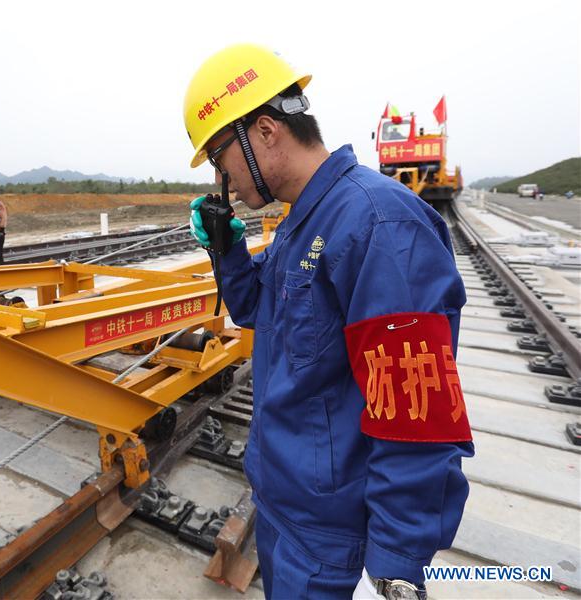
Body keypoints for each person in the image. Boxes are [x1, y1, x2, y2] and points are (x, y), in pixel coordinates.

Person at [184, 44, 472, 600]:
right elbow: (258, 311)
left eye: (220, 157)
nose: (224, 178)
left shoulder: (377, 224)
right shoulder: (304, 223)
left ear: (265, 131)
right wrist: (227, 250)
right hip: (285, 516)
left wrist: (393, 565)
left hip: (335, 549)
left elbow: (416, 411)